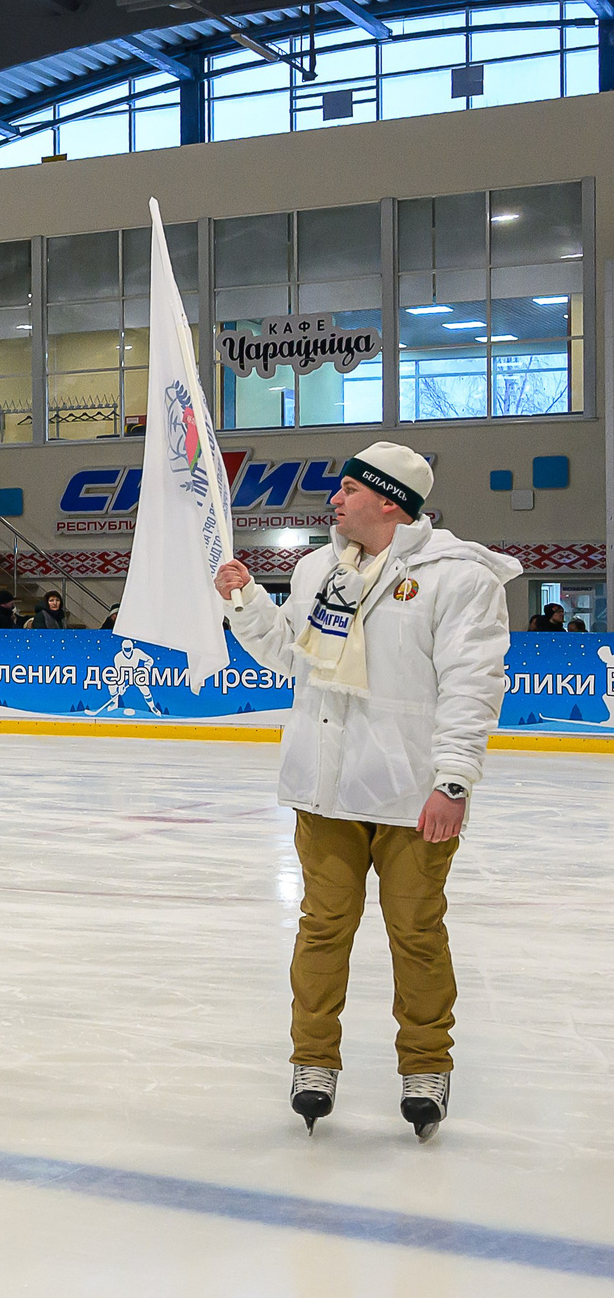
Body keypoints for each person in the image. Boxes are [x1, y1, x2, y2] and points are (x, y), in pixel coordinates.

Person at [212, 442, 514, 1141]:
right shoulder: (320, 566)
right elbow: (294, 656)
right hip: (324, 788)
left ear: (389, 500)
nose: (335, 501)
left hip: (412, 797)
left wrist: (453, 781)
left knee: (415, 933)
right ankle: (313, 1060)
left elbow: (473, 686)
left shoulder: (458, 577)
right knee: (322, 928)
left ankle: (425, 1066)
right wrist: (246, 600)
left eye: (348, 489)